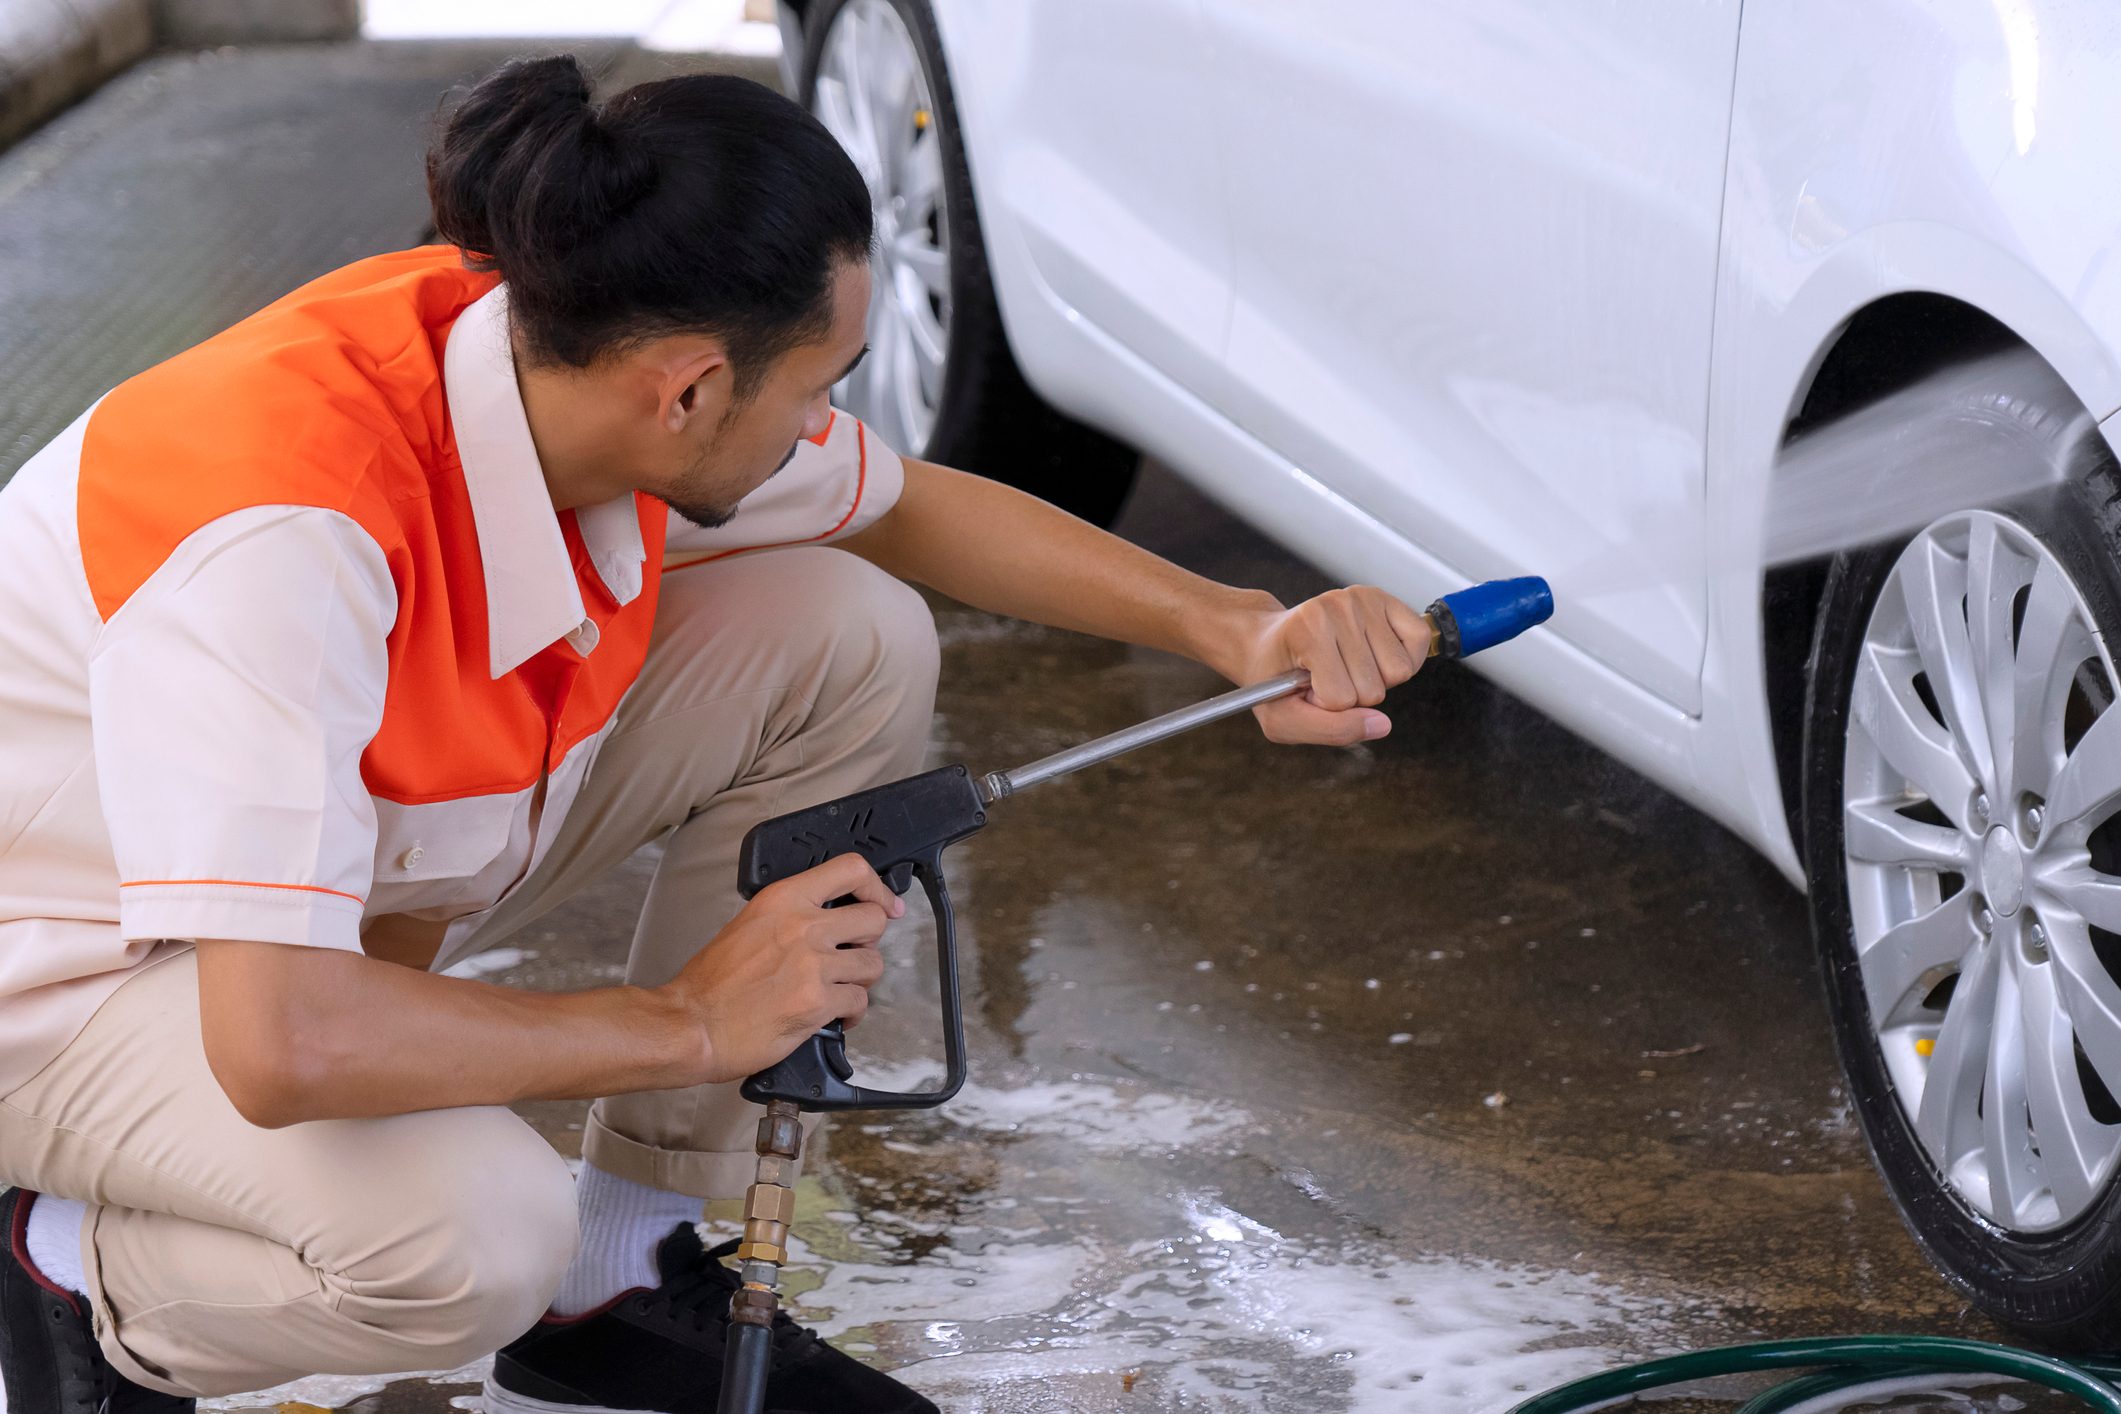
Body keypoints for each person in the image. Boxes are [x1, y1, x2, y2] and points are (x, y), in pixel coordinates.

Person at [0, 55, 1433, 1414]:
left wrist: (1239, 630)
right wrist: (689, 1020)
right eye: (817, 384)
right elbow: (282, 1040)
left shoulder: (566, 346)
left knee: (844, 628)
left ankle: (616, 1277)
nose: (825, 423)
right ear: (687, 390)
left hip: (276, 899)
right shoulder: (283, 537)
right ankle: (70, 1268)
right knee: (471, 1235)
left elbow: (910, 507)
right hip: (66, 971)